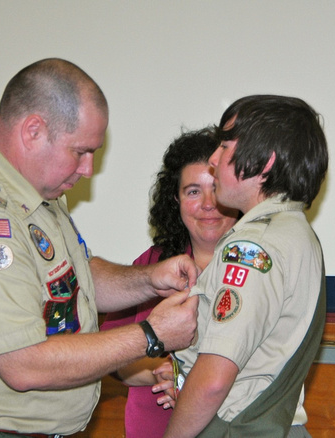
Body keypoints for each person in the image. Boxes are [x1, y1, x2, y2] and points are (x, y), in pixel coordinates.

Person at [0, 58, 199, 438]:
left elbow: (74, 280)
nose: (88, 169)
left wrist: (148, 280)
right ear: (33, 131)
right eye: (80, 151)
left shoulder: (32, 193)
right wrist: (150, 334)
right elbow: (24, 365)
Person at [153, 95, 329, 438]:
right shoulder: (295, 231)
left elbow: (214, 379)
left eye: (225, 146)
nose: (214, 160)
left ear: (266, 161)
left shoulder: (252, 245)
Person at [101, 127, 240, 438]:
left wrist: (193, 378)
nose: (207, 204)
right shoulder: (151, 265)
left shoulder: (256, 267)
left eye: (216, 189)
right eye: (193, 191)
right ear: (175, 200)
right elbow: (112, 358)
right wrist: (158, 371)